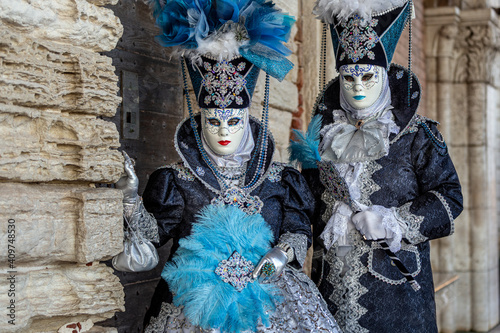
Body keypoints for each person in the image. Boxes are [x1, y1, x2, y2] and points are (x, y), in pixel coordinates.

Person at [114, 0, 342, 332]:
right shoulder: (177, 180)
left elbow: (297, 229)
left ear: (247, 120)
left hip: (272, 303)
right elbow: (153, 235)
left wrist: (282, 255)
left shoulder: (279, 179)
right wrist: (131, 200)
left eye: (233, 121)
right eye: (214, 121)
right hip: (195, 306)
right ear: (199, 119)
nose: (223, 131)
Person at [289, 1, 463, 332]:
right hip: (331, 295)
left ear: (384, 74)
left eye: (368, 75)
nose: (357, 86)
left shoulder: (417, 136)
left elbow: (450, 199)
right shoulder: (322, 138)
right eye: (349, 76)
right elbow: (303, 205)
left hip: (398, 299)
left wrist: (391, 221)